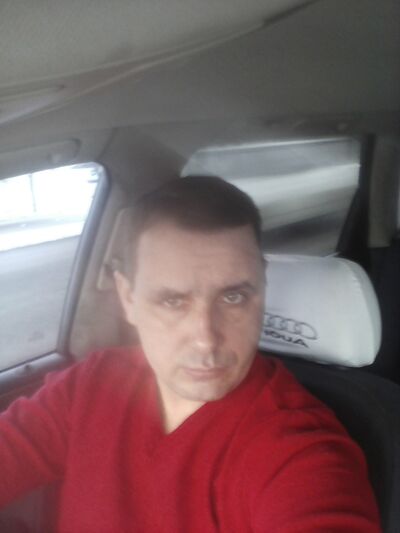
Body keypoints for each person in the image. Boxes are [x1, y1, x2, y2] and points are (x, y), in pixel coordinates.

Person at [0, 176, 381, 532]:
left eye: (234, 297)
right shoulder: (89, 386)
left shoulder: (298, 449)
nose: (206, 340)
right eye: (172, 301)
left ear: (262, 286)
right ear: (128, 298)